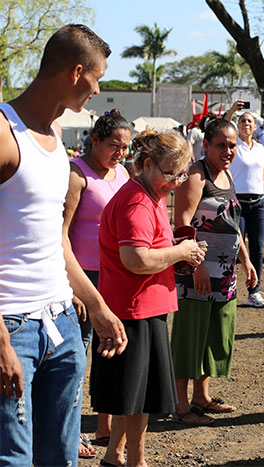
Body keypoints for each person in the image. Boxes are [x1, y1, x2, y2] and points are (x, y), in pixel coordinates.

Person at [0, 24, 127, 467]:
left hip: (62, 326)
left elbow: (56, 239)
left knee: (60, 458)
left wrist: (96, 305)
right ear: (76, 72)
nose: (98, 88)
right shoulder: (3, 131)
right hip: (12, 328)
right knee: (13, 459)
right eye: (97, 77)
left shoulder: (56, 138)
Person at [92, 130, 205, 467]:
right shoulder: (137, 200)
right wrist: (180, 250)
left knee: (136, 395)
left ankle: (117, 455)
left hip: (142, 305)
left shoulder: (146, 194)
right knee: (135, 395)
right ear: (146, 164)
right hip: (133, 309)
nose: (175, 181)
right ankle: (134, 460)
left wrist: (176, 255)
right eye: (169, 172)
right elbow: (136, 260)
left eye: (181, 174)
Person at [172, 119, 258, 425]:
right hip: (197, 275)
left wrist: (246, 261)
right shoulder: (196, 175)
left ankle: (202, 397)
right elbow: (182, 223)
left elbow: (233, 225)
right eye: (221, 145)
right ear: (205, 144)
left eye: (233, 145)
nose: (228, 150)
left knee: (214, 336)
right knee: (189, 338)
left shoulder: (227, 174)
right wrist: (197, 266)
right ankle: (181, 406)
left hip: (225, 275)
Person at [62, 109, 131, 454]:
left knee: (110, 352)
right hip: (82, 278)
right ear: (95, 140)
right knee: (76, 357)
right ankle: (69, 433)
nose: (120, 153)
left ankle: (104, 425)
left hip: (115, 275)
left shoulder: (122, 173)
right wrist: (68, 285)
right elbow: (60, 233)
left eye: (125, 147)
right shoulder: (77, 175)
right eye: (114, 146)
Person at [230, 112, 264, 307]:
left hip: (258, 203)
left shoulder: (260, 148)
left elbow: (262, 176)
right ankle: (228, 289)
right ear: (237, 125)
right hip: (238, 201)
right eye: (242, 121)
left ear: (256, 126)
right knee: (235, 248)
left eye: (249, 121)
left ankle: (254, 291)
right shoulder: (233, 147)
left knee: (257, 249)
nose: (246, 123)